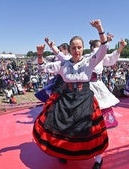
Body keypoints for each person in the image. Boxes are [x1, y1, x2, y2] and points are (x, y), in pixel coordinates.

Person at [33, 19, 108, 169]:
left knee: (93, 132)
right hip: (66, 101)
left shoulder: (89, 62)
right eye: (74, 47)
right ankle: (62, 153)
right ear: (71, 49)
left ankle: (98, 160)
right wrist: (40, 55)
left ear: (83, 48)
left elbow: (104, 49)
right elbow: (43, 68)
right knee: (63, 129)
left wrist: (99, 28)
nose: (76, 50)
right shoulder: (63, 64)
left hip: (85, 100)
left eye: (79, 47)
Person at [87, 36, 127, 128]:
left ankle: (104, 122)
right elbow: (99, 53)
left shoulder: (102, 56)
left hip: (98, 83)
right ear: (94, 47)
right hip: (88, 84)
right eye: (100, 46)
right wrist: (106, 42)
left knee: (103, 102)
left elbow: (111, 58)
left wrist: (121, 47)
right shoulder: (88, 56)